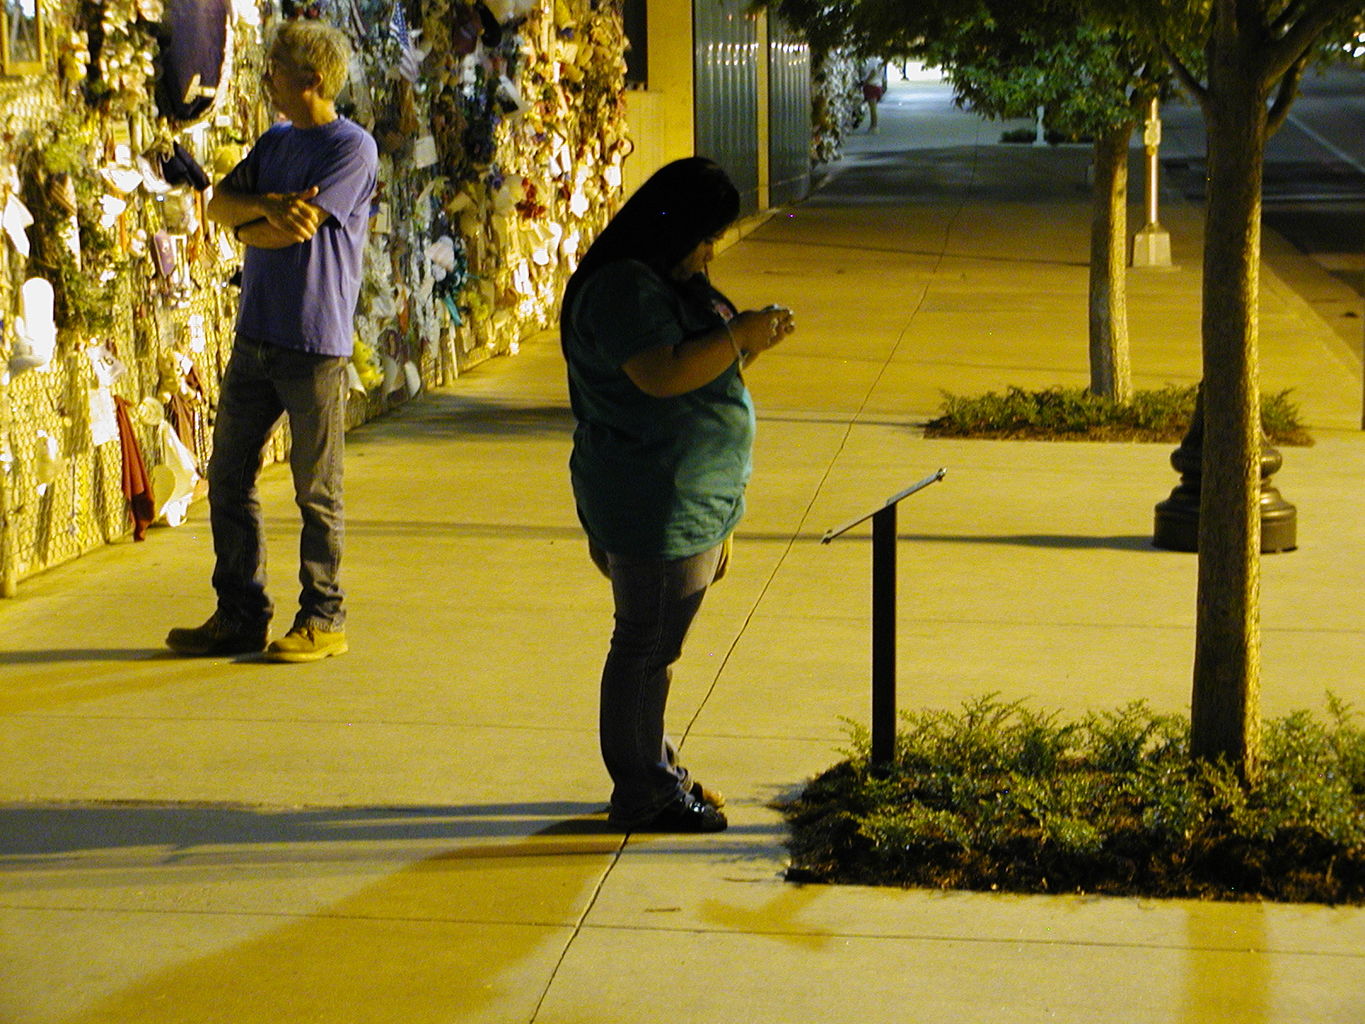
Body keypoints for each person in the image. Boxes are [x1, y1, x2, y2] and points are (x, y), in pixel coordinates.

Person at [560, 158, 796, 832]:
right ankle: (642, 790)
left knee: (654, 644)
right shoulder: (621, 290)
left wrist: (744, 343)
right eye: (704, 236)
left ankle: (655, 764)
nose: (709, 250)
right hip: (653, 496)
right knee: (645, 646)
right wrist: (738, 335)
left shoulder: (661, 279)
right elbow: (661, 374)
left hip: (689, 495)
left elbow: (695, 366)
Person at [166, 20, 377, 663]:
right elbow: (219, 205)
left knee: (317, 489)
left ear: (312, 80)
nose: (268, 81)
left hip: (314, 341)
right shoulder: (276, 140)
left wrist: (249, 223)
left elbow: (295, 230)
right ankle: (240, 611)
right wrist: (256, 214)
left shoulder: (352, 148)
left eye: (277, 71)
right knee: (228, 474)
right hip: (256, 335)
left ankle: (323, 617)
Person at [860, 58, 887, 133]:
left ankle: (874, 126)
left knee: (872, 108)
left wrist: (865, 82)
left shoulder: (873, 60)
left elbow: (873, 72)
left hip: (872, 85)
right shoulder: (881, 60)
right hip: (877, 84)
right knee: (873, 107)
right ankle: (873, 126)